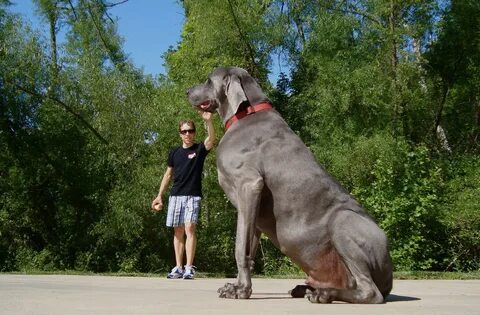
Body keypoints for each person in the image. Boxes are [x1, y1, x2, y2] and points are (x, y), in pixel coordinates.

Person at [151, 111, 215, 280]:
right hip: (175, 196)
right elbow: (168, 175)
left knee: (190, 228)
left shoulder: (199, 149)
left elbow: (211, 140)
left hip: (192, 196)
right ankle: (178, 267)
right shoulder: (174, 152)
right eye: (184, 131)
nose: (188, 134)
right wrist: (159, 196)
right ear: (180, 133)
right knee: (178, 232)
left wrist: (209, 122)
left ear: (194, 132)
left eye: (190, 131)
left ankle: (188, 268)